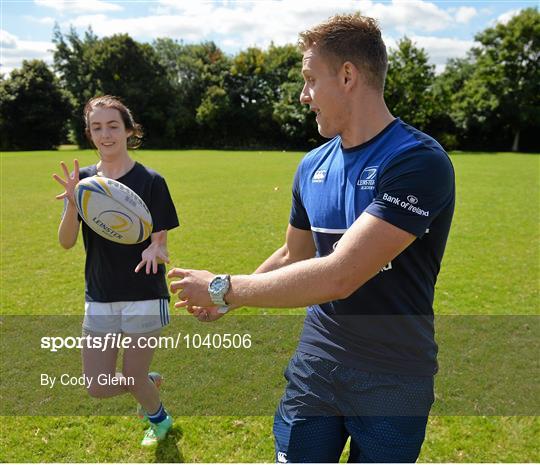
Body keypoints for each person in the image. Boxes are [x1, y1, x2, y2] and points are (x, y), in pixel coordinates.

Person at [168, 13, 455, 463]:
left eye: (309, 80)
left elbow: (341, 275)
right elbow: (293, 253)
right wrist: (228, 299)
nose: (304, 97)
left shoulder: (417, 161)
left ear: (346, 76)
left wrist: (224, 286)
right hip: (317, 364)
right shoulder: (311, 166)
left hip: (394, 376)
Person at [53, 95, 179, 447]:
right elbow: (65, 242)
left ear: (128, 130)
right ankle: (147, 383)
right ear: (90, 134)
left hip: (143, 295)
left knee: (134, 374)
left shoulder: (152, 181)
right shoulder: (83, 181)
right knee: (97, 386)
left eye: (112, 126)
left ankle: (160, 420)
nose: (105, 134)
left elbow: (161, 243)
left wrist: (157, 248)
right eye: (97, 128)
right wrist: (72, 204)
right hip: (100, 294)